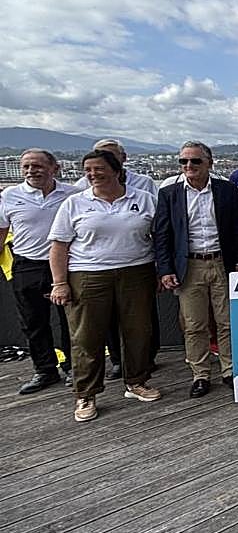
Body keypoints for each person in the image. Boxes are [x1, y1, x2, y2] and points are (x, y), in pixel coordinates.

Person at [48, 149, 160, 422]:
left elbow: (159, 237)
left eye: (98, 168)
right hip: (88, 275)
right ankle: (86, 393)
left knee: (139, 331)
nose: (92, 174)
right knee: (86, 337)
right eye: (88, 169)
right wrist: (59, 283)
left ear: (116, 170)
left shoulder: (144, 199)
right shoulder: (74, 203)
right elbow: (59, 246)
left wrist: (161, 270)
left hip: (137, 271)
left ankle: (136, 382)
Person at [152, 141, 238, 398]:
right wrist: (165, 269)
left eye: (195, 161)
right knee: (195, 325)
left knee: (227, 321)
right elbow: (161, 235)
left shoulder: (227, 190)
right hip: (189, 266)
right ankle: (201, 374)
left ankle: (230, 370)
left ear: (209, 163)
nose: (188, 166)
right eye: (183, 161)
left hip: (222, 263)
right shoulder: (169, 194)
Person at [0, 149, 74, 393]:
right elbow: (2, 231)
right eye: (26, 167)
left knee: (71, 320)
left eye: (38, 166)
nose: (31, 171)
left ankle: (73, 368)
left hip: (67, 264)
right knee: (33, 321)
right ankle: (45, 370)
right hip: (27, 265)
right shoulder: (10, 195)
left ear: (55, 168)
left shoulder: (71, 194)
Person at [74, 139, 157, 196]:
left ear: (124, 157)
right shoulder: (84, 184)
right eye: (100, 156)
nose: (105, 160)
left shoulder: (144, 183)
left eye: (110, 156)